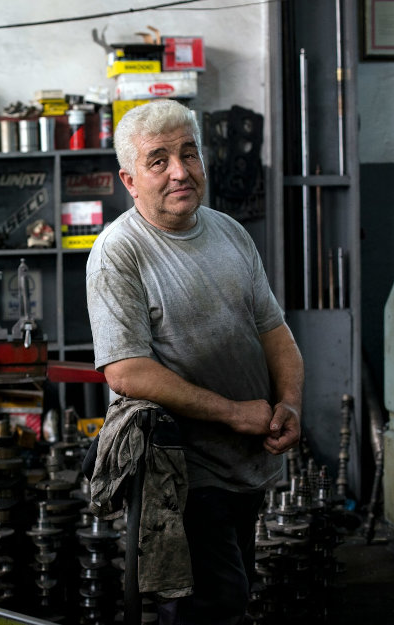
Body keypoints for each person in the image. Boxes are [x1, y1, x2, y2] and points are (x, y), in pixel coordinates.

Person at [85, 99, 304, 625]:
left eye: (189, 154)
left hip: (247, 461)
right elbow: (126, 370)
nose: (180, 171)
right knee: (213, 606)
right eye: (158, 161)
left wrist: (290, 403)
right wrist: (233, 412)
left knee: (233, 593)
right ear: (130, 180)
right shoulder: (119, 252)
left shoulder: (230, 232)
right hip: (183, 471)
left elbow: (274, 331)